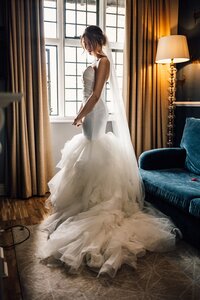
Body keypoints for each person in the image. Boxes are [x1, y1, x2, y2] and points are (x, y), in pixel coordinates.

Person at [39, 25, 179, 278]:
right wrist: (80, 112)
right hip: (89, 111)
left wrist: (81, 115)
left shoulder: (103, 61)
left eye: (85, 41)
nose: (83, 45)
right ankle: (83, 205)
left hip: (94, 112)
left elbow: (95, 95)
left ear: (94, 39)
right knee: (88, 152)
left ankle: (95, 205)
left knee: (93, 148)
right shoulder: (95, 61)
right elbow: (88, 95)